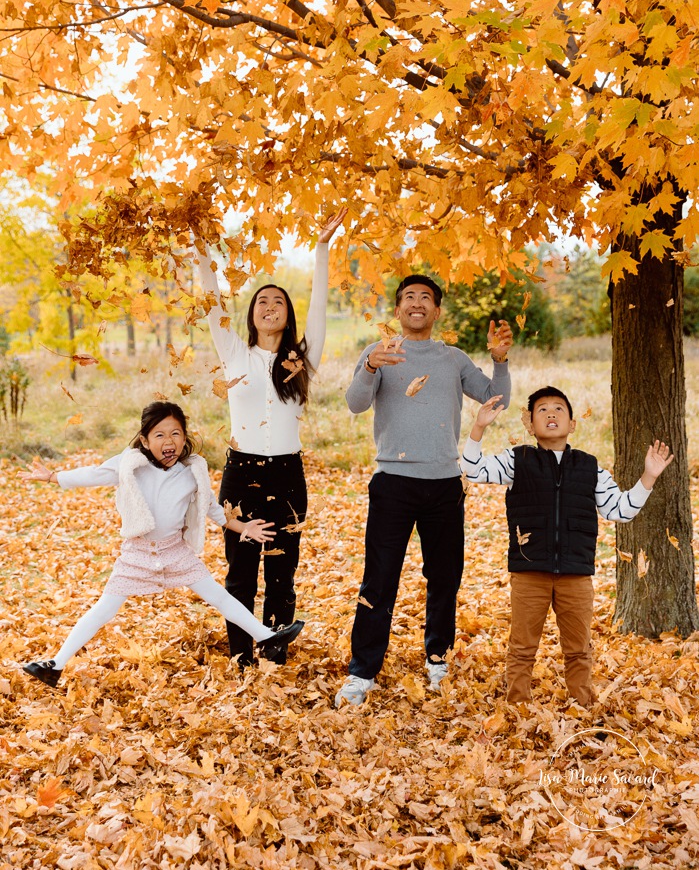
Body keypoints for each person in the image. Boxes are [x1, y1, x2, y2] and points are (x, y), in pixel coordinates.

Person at [18, 401, 304, 690]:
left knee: (219, 596)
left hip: (175, 551)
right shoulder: (130, 465)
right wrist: (54, 477)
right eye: (160, 435)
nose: (169, 441)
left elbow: (211, 508)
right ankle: (55, 665)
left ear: (184, 437)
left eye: (176, 434)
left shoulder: (191, 473)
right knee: (104, 609)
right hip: (137, 554)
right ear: (145, 441)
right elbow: (94, 473)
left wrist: (244, 527)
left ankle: (267, 638)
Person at [335, 274, 513, 706]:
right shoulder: (380, 352)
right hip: (392, 483)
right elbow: (355, 404)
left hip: (444, 484)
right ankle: (362, 672)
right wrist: (370, 366)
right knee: (379, 579)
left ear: (437, 311)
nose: (417, 303)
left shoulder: (453, 358)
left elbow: (497, 400)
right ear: (398, 310)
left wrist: (500, 361)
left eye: (426, 298)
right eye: (409, 297)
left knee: (445, 578)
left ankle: (438, 660)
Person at [196, 210, 346, 667]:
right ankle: (241, 656)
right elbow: (212, 301)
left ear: (287, 315)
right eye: (261, 300)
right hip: (240, 473)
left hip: (287, 474)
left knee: (282, 571)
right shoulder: (234, 352)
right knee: (240, 572)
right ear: (251, 313)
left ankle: (274, 654)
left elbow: (319, 308)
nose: (268, 306)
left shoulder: (301, 359)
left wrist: (321, 248)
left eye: (278, 301)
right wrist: (200, 248)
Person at [461, 386, 674, 706]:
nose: (551, 413)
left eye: (559, 408)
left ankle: (583, 706)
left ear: (572, 424)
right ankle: (517, 708)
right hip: (529, 570)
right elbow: (473, 470)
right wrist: (479, 427)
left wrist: (648, 477)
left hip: (576, 573)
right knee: (522, 648)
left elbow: (620, 510)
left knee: (579, 648)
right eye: (542, 409)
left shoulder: (590, 468)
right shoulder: (517, 460)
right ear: (530, 425)